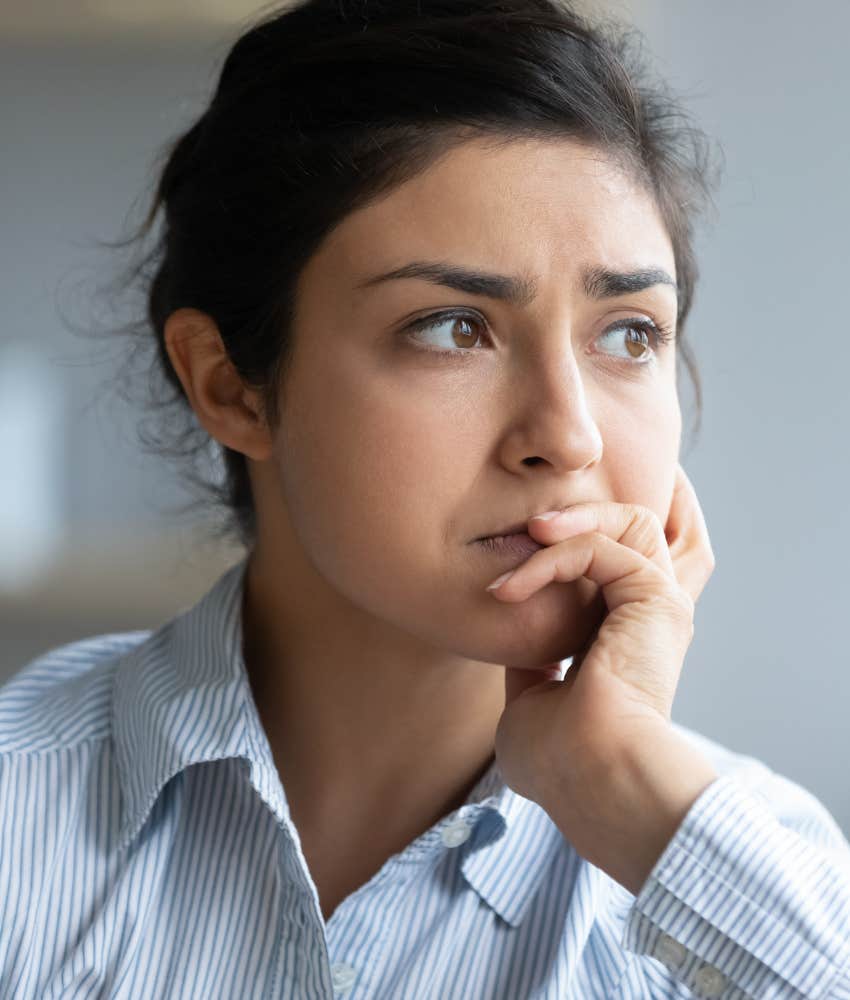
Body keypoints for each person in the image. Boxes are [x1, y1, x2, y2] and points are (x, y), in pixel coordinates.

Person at [1, 1, 849, 997]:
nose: (568, 436)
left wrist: (622, 786)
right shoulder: (23, 809)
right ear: (231, 384)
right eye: (453, 328)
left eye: (627, 333)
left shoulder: (739, 861)